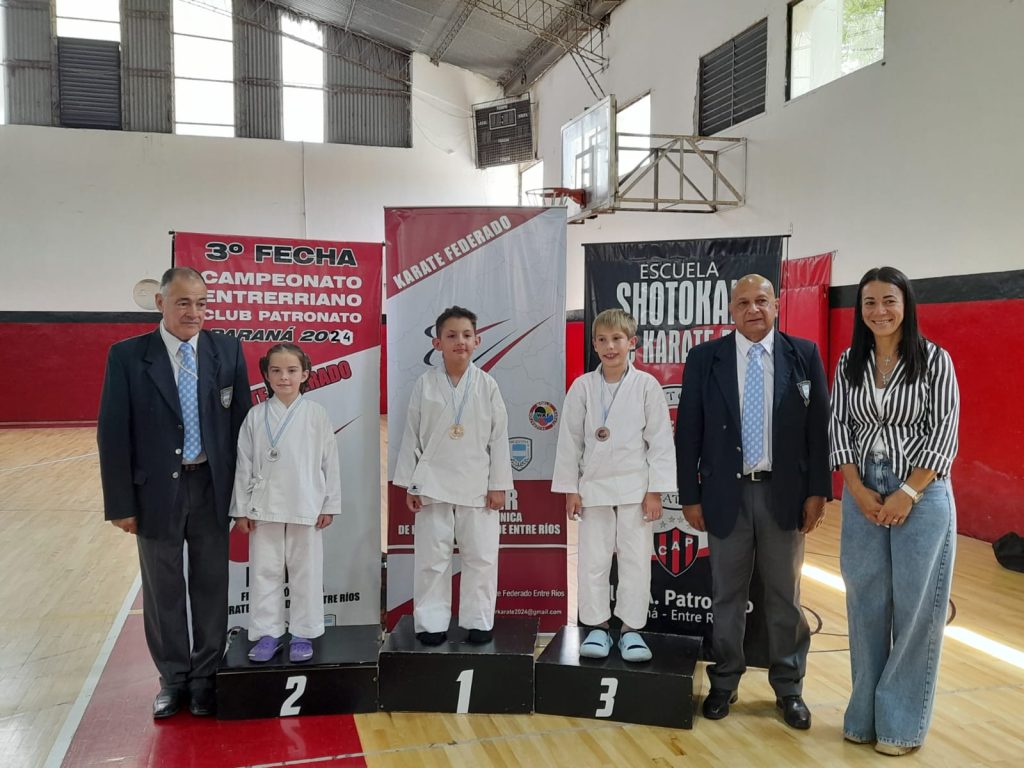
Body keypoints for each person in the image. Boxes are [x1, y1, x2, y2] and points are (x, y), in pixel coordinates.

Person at [676, 274, 830, 729]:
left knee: (785, 597)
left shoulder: (804, 355)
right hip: (726, 496)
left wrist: (818, 491)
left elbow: (818, 430)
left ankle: (789, 688)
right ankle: (725, 681)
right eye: (742, 303)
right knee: (727, 595)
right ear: (731, 311)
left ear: (777, 305)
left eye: (761, 300)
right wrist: (690, 495)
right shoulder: (705, 359)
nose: (753, 309)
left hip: (785, 495)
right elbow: (689, 431)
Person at [97, 267, 250, 718]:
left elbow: (243, 428)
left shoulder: (227, 350)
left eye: (202, 303)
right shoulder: (127, 356)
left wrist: (243, 496)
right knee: (162, 587)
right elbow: (113, 433)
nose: (194, 312)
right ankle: (173, 678)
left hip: (212, 488)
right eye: (184, 302)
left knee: (211, 584)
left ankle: (205, 677)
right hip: (155, 493)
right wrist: (121, 503)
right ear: (161, 303)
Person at [829, 266, 959, 756]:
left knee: (915, 611)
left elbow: (944, 432)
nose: (879, 311)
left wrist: (907, 492)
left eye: (889, 301)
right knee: (864, 604)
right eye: (869, 302)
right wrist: (857, 489)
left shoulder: (935, 360)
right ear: (859, 310)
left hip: (921, 494)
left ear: (906, 305)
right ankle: (863, 715)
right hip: (863, 492)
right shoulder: (850, 362)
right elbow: (839, 428)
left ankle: (900, 726)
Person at [552, 309, 676, 662]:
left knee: (636, 561)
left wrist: (655, 491)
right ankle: (597, 627)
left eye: (617, 339)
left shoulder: (647, 386)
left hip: (636, 490)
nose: (610, 347)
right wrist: (570, 489)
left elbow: (660, 441)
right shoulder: (582, 387)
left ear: (631, 342)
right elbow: (570, 441)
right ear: (593, 344)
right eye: (602, 340)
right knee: (593, 561)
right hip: (593, 488)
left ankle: (632, 630)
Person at [393, 305, 514, 645]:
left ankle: (479, 620)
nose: (460, 341)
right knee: (432, 558)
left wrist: (498, 485)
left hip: (478, 484)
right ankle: (431, 623)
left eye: (466, 335)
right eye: (451, 335)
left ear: (477, 341)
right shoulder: (425, 384)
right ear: (437, 343)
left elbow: (499, 438)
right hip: (433, 483)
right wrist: (411, 484)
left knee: (481, 557)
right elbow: (411, 434)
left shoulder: (487, 385)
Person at [230, 343, 340, 664]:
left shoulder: (316, 414)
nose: (284, 377)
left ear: (305, 374)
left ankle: (303, 632)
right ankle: (268, 633)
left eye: (292, 370)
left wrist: (329, 504)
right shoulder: (255, 415)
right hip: (263, 506)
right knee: (265, 572)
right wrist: (241, 509)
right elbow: (243, 464)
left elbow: (330, 462)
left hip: (307, 504)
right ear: (266, 375)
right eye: (276, 371)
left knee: (306, 572)